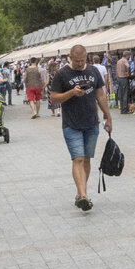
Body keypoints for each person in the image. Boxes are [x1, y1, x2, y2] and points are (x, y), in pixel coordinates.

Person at [48, 44, 113, 212]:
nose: (79, 64)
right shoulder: (62, 74)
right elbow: (53, 98)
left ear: (87, 57)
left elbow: (100, 94)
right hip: (71, 124)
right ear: (70, 57)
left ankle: (80, 193)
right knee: (77, 158)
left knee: (86, 159)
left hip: (91, 123)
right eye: (76, 61)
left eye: (82, 60)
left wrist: (108, 116)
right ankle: (84, 196)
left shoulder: (93, 71)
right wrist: (71, 93)